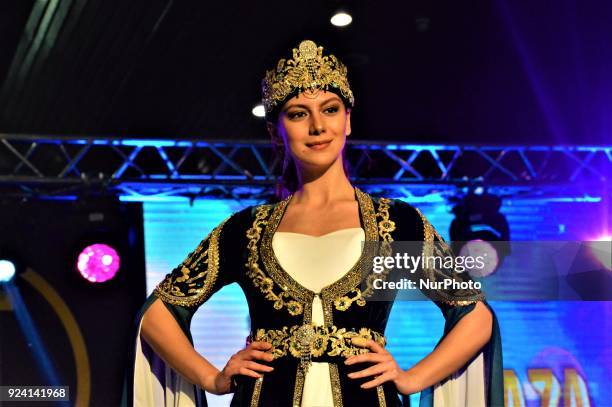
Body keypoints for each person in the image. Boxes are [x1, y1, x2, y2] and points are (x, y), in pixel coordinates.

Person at [123, 39, 504, 407]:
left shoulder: (395, 223)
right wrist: (212, 379)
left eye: (331, 109)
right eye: (298, 114)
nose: (318, 126)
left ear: (348, 120)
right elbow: (160, 311)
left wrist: (413, 378)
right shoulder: (247, 230)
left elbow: (473, 313)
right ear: (276, 132)